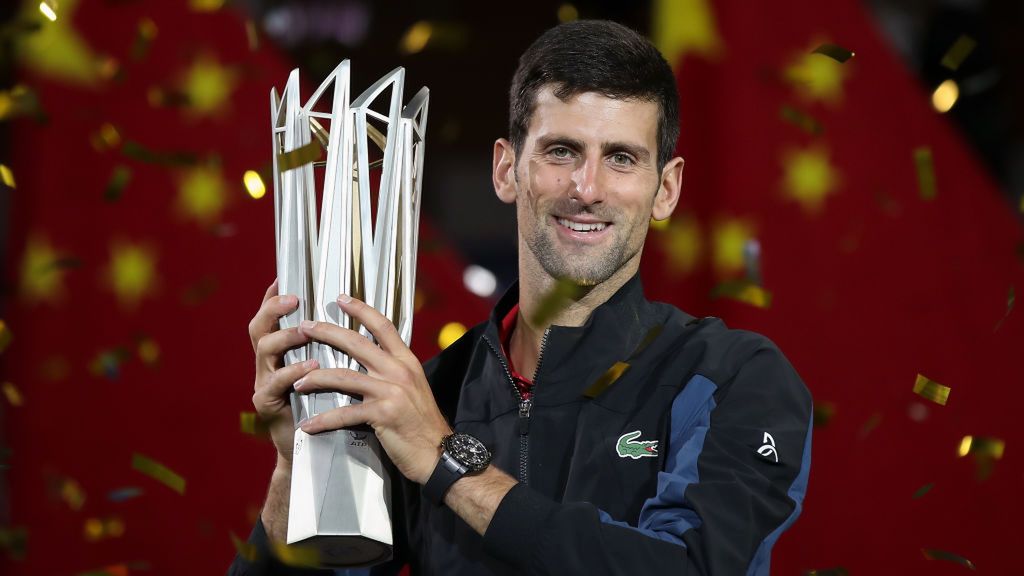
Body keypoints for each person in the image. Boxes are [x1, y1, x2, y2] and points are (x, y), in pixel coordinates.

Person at [230, 19, 812, 576]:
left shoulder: (734, 378)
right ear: (506, 170)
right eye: (561, 151)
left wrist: (448, 461)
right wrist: (299, 463)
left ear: (666, 189)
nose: (586, 189)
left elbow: (687, 567)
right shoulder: (427, 396)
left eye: (621, 158)